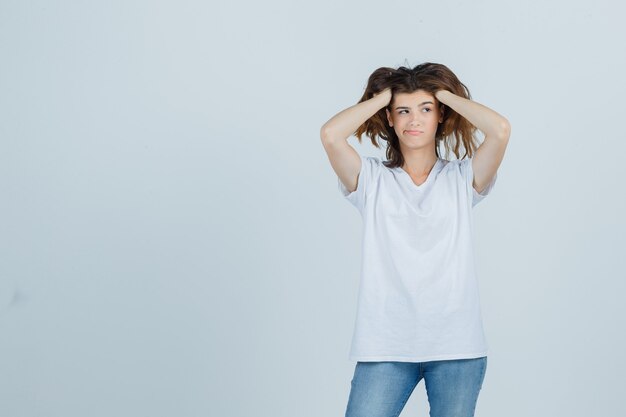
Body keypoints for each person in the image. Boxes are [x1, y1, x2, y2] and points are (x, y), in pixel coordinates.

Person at [319, 62, 510, 417]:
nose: (414, 120)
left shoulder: (461, 178)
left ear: (441, 115)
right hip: (385, 347)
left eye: (426, 110)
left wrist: (444, 94)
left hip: (457, 347)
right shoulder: (371, 180)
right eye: (403, 112)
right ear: (390, 119)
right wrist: (385, 97)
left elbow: (499, 130)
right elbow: (331, 134)